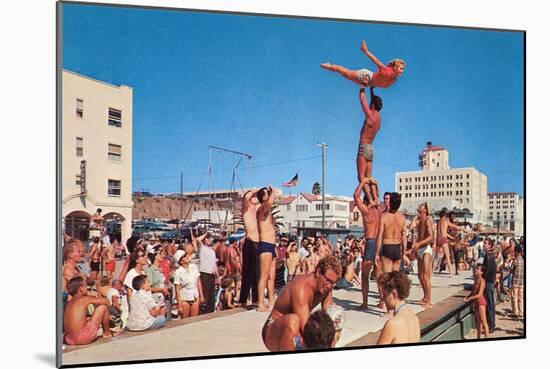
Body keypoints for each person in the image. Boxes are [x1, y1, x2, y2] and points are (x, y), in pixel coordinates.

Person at [262, 256, 342, 351]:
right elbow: (306, 328)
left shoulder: (327, 287)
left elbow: (329, 318)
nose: (329, 286)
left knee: (337, 317)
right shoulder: (301, 288)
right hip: (272, 332)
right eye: (327, 280)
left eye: (333, 283)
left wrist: (331, 338)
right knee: (294, 321)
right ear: (318, 272)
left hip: (297, 329)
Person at [321, 40, 405, 88]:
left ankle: (331, 67)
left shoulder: (393, 79)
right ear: (395, 68)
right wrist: (366, 51)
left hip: (369, 83)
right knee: (345, 72)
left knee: (345, 75)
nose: (402, 71)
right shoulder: (387, 71)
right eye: (401, 68)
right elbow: (376, 61)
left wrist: (372, 84)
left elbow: (383, 86)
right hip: (366, 75)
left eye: (402, 69)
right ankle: (329, 66)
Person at [353, 178, 381, 310]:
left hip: (370, 242)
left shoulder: (366, 210)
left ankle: (365, 303)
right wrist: (374, 184)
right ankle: (382, 301)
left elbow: (355, 196)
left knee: (365, 275)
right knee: (379, 273)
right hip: (379, 241)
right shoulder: (378, 209)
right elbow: (376, 195)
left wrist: (363, 182)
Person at [63, 277, 114, 345]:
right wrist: (98, 290)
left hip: (68, 339)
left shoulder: (69, 302)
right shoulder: (84, 299)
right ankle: (106, 333)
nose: (87, 288)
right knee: (103, 307)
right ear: (81, 289)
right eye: (85, 286)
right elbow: (107, 301)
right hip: (81, 338)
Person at [355, 86, 383, 205]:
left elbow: (362, 100)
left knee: (361, 177)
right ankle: (376, 198)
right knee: (369, 177)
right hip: (371, 149)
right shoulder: (378, 118)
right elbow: (373, 103)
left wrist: (362, 86)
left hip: (363, 146)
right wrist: (371, 89)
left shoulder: (370, 115)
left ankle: (370, 199)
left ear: (372, 105)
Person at [376, 272, 420, 344]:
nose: (383, 299)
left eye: (385, 295)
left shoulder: (392, 324)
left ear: (393, 294)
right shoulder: (414, 318)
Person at [408, 202, 434, 309]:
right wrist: (415, 217)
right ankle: (425, 296)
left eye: (421, 206)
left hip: (426, 248)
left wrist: (419, 243)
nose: (419, 206)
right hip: (419, 249)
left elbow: (431, 237)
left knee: (426, 276)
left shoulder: (428, 220)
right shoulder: (419, 221)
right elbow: (410, 227)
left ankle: (429, 300)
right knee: (420, 275)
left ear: (425, 210)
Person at [256, 186, 277, 311]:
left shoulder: (268, 211)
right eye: (265, 194)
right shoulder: (262, 208)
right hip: (265, 244)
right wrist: (273, 192)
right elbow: (269, 203)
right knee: (263, 275)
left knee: (271, 276)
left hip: (271, 245)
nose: (267, 195)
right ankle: (260, 303)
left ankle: (271, 301)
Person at [238, 190, 260, 306]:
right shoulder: (247, 210)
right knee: (247, 273)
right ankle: (243, 299)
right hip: (250, 242)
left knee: (257, 273)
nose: (256, 198)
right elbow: (245, 198)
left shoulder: (258, 210)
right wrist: (254, 191)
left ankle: (256, 299)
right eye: (254, 197)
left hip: (258, 242)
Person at [376, 193, 406, 273]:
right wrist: (404, 252)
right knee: (395, 278)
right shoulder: (402, 217)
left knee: (387, 277)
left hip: (387, 247)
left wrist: (377, 253)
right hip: (397, 248)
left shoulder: (384, 217)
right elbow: (404, 237)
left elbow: (380, 236)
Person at [191, 229, 217, 314]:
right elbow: (197, 240)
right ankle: (203, 313)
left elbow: (214, 264)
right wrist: (205, 234)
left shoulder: (212, 251)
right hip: (205, 274)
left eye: (210, 238)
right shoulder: (202, 248)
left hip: (212, 275)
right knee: (205, 295)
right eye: (207, 238)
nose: (209, 239)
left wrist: (217, 276)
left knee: (211, 297)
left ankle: (210, 312)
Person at [174, 250, 204, 318]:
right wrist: (179, 305)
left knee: (194, 320)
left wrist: (201, 295)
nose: (187, 256)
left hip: (195, 296)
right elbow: (177, 290)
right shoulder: (178, 272)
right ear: (181, 261)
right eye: (184, 256)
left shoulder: (194, 267)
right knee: (185, 320)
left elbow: (198, 282)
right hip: (184, 298)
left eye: (186, 255)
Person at [436, 208, 466, 276]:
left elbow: (441, 232)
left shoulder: (438, 222)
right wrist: (462, 228)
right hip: (444, 239)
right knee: (447, 256)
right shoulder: (446, 221)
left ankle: (431, 271)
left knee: (435, 258)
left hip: (438, 239)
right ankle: (450, 273)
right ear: (445, 216)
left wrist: (451, 237)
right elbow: (454, 226)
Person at [464, 265, 489, 339]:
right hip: (476, 303)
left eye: (478, 269)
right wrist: (468, 297)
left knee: (484, 322)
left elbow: (479, 295)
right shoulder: (476, 280)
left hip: (481, 302)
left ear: (481, 272)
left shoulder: (482, 281)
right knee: (478, 323)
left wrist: (469, 298)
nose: (476, 270)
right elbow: (474, 292)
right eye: (476, 269)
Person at [482, 239, 497, 333]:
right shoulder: (491, 255)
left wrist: (483, 282)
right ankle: (491, 324)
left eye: (485, 243)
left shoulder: (488, 256)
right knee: (491, 304)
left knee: (490, 305)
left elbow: (486, 272)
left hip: (488, 283)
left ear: (489, 245)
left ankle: (491, 326)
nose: (483, 245)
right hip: (490, 282)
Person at [511, 245, 524, 319]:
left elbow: (511, 270)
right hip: (522, 282)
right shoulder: (523, 260)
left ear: (516, 251)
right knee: (521, 297)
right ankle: (521, 312)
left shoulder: (515, 261)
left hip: (515, 281)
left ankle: (515, 312)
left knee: (514, 297)